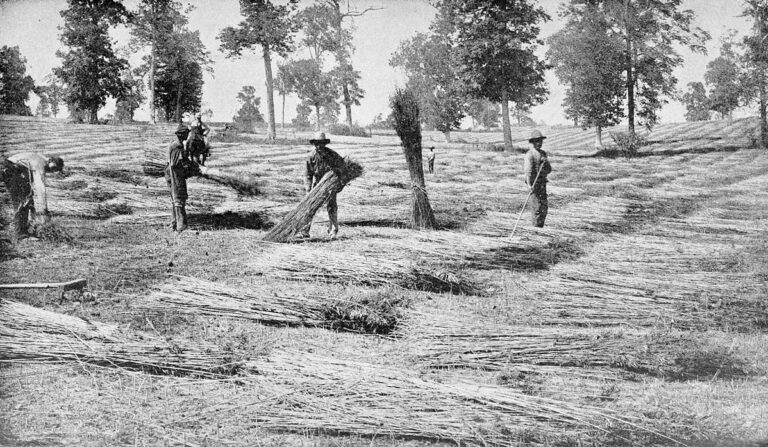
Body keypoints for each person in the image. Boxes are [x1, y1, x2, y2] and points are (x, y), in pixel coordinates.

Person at [1, 152, 64, 239]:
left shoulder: (38, 158)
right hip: (12, 169)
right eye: (52, 168)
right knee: (22, 201)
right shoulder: (40, 163)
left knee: (28, 199)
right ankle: (20, 234)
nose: (51, 171)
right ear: (49, 160)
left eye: (54, 171)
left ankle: (27, 229)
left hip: (11, 167)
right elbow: (40, 188)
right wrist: (44, 210)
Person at [299, 131, 346, 239]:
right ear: (314, 144)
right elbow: (307, 175)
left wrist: (340, 183)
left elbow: (342, 167)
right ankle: (305, 231)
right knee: (310, 206)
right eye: (317, 144)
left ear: (325, 144)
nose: (319, 146)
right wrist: (308, 190)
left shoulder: (333, 155)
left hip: (330, 185)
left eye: (321, 143)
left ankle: (333, 230)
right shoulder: (311, 157)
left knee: (332, 206)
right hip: (317, 185)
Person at [166, 124, 202, 233]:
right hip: (175, 175)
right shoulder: (177, 146)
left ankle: (173, 225)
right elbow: (174, 164)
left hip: (173, 174)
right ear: (182, 135)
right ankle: (180, 227)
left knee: (175, 200)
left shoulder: (176, 144)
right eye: (186, 133)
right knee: (179, 199)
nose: (188, 135)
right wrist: (187, 168)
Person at [523, 130, 552, 228]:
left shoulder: (543, 154)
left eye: (540, 141)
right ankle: (535, 229)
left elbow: (549, 170)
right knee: (536, 208)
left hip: (542, 184)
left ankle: (541, 227)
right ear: (533, 143)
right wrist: (529, 186)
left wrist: (546, 163)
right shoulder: (529, 155)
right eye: (536, 141)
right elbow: (527, 172)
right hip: (534, 185)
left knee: (544, 208)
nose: (539, 143)